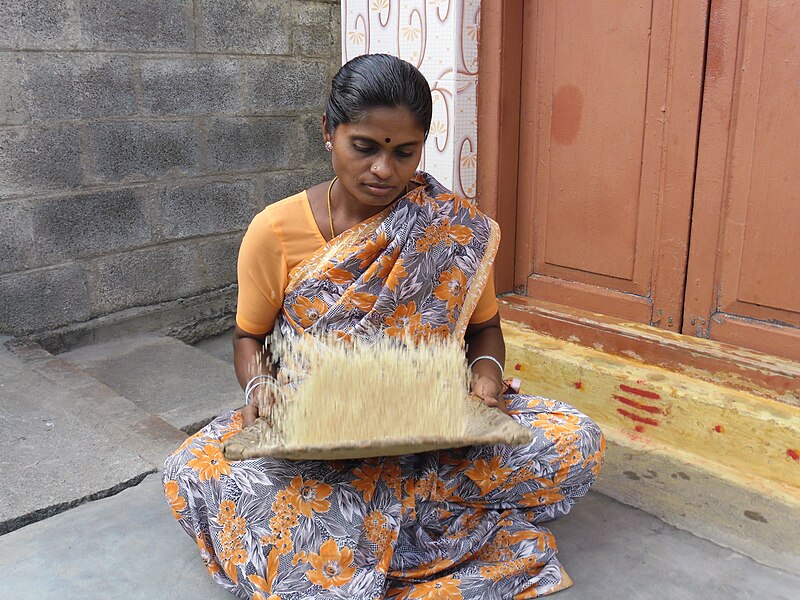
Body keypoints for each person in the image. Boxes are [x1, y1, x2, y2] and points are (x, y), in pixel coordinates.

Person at [163, 54, 604, 599]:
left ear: (422, 145)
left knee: (576, 441)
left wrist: (485, 378)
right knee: (198, 469)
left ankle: (373, 526)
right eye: (365, 147)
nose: (383, 171)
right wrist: (261, 388)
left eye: (404, 152)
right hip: (319, 429)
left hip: (432, 422)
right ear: (329, 132)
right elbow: (248, 337)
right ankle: (407, 523)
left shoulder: (448, 226)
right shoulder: (274, 230)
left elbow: (484, 329)